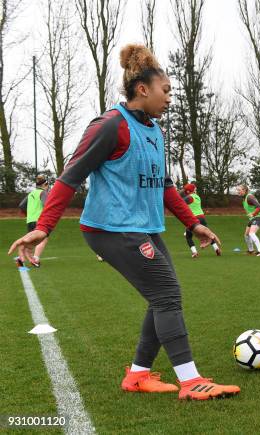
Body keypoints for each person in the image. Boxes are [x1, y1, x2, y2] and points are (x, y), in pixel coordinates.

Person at [8, 44, 239, 401]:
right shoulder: (110, 125)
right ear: (143, 89)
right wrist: (45, 225)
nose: (170, 98)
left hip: (144, 227)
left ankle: (138, 375)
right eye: (167, 91)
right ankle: (190, 381)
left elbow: (164, 186)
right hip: (111, 229)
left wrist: (194, 224)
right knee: (166, 295)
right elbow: (71, 176)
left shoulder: (155, 132)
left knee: (162, 296)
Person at [16, 175, 50, 267]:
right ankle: (35, 259)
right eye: (48, 186)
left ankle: (20, 259)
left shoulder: (31, 194)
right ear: (45, 185)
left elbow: (21, 205)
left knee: (30, 241)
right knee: (43, 239)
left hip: (30, 220)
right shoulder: (43, 193)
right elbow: (46, 205)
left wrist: (29, 214)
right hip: (40, 220)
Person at [180, 183, 221, 257]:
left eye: (185, 190)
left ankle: (194, 252)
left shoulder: (189, 197)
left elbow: (179, 202)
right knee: (208, 234)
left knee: (188, 236)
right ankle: (216, 248)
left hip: (193, 219)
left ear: (188, 191)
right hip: (202, 217)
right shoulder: (197, 197)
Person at [237, 184, 260, 256]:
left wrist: (253, 214)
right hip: (253, 218)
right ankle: (251, 250)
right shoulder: (244, 198)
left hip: (258, 217)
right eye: (237, 190)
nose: (238, 192)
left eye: (239, 190)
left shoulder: (249, 197)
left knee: (251, 233)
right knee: (246, 235)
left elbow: (259, 207)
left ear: (244, 190)